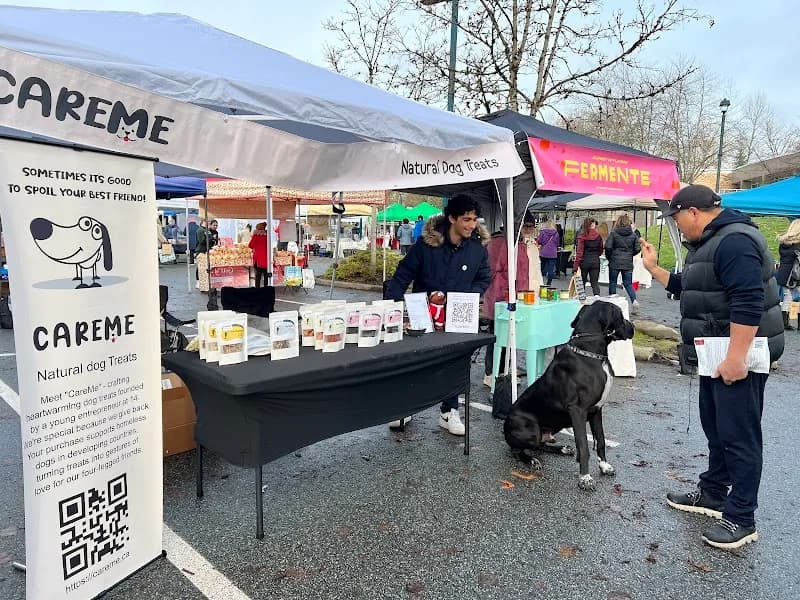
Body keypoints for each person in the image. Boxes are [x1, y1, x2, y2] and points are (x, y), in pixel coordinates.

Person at [640, 184, 783, 551]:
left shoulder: (734, 241)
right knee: (717, 429)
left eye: (676, 218)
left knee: (739, 436)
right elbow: (690, 286)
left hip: (735, 356)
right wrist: (654, 268)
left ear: (692, 212)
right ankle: (714, 494)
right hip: (714, 352)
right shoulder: (709, 243)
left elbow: (748, 302)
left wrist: (736, 358)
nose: (677, 225)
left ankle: (741, 517)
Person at [385, 194, 491, 436]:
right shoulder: (426, 245)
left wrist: (465, 297)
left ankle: (449, 410)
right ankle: (404, 408)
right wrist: (390, 306)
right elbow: (403, 273)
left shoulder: (477, 249)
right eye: (466, 219)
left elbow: (483, 278)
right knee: (415, 361)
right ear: (452, 218)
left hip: (458, 315)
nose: (471, 225)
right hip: (423, 312)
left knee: (454, 362)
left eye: (474, 220)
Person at [482, 218, 529, 387]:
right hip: (500, 296)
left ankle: (504, 371)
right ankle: (490, 372)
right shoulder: (499, 243)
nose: (529, 230)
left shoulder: (519, 243)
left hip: (516, 296)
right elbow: (492, 270)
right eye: (527, 226)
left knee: (509, 337)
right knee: (497, 336)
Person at [605, 214, 642, 314]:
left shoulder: (613, 233)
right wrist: (630, 254)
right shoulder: (633, 235)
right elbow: (638, 249)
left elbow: (608, 247)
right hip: (627, 263)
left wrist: (610, 256)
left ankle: (613, 305)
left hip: (614, 262)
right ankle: (634, 301)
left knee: (613, 282)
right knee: (628, 284)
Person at [775, 218, 800, 330]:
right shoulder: (798, 245)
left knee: (787, 297)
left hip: (784, 274)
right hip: (796, 274)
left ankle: (784, 323)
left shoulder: (784, 244)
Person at [573, 217, 603, 296]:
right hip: (595, 261)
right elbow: (601, 249)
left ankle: (581, 299)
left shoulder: (582, 236)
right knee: (594, 282)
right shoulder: (598, 236)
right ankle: (597, 297)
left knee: (582, 283)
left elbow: (579, 252)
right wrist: (597, 255)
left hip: (584, 261)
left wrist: (575, 266)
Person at [536, 220, 559, 285]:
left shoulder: (543, 232)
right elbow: (557, 243)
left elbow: (539, 241)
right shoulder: (556, 233)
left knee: (541, 268)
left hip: (544, 253)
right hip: (553, 254)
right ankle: (549, 283)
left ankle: (540, 281)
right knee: (551, 270)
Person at [249, 222, 269, 288]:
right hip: (267, 260)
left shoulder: (256, 236)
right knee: (266, 277)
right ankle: (266, 291)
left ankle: (257, 290)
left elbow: (250, 245)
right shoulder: (268, 235)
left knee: (258, 276)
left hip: (258, 261)